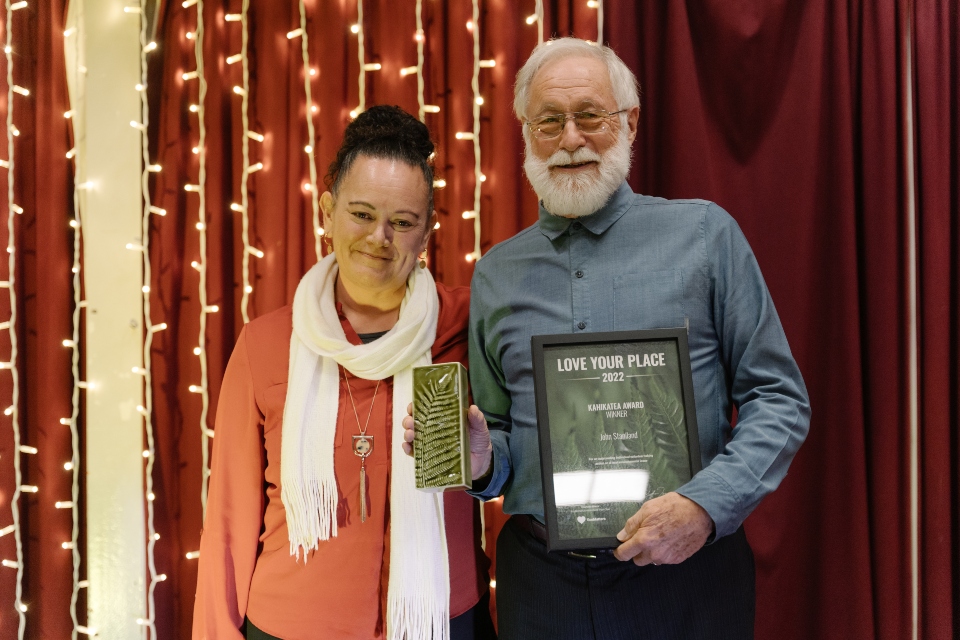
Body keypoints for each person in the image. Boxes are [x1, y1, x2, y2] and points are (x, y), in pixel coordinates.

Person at [405, 38, 810, 639]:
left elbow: (779, 398)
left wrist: (705, 506)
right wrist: (483, 460)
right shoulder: (496, 273)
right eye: (549, 122)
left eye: (590, 115)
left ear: (630, 122)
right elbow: (503, 441)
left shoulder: (705, 236)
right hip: (543, 590)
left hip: (690, 579)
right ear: (525, 133)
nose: (570, 139)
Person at [193, 105, 494, 640]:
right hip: (290, 625)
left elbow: (515, 463)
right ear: (328, 211)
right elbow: (228, 522)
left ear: (426, 231)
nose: (379, 237)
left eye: (402, 222)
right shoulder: (264, 344)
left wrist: (486, 463)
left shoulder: (469, 327)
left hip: (439, 621)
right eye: (361, 213)